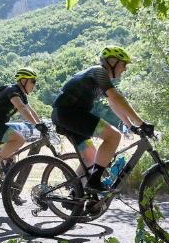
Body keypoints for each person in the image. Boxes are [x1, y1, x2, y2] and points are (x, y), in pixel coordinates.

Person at [51, 46, 154, 198]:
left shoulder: (98, 76)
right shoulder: (99, 71)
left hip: (65, 115)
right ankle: (93, 182)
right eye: (123, 64)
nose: (125, 69)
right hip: (69, 114)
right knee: (114, 136)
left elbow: (114, 104)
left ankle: (74, 195)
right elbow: (117, 98)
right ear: (112, 62)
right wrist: (141, 123)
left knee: (91, 156)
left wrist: (131, 126)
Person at [0, 68, 49, 181]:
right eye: (33, 81)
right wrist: (36, 125)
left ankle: (8, 190)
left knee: (11, 159)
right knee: (19, 140)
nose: (34, 85)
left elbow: (31, 110)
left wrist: (40, 124)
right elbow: (22, 108)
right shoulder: (13, 91)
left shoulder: (21, 95)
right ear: (24, 81)